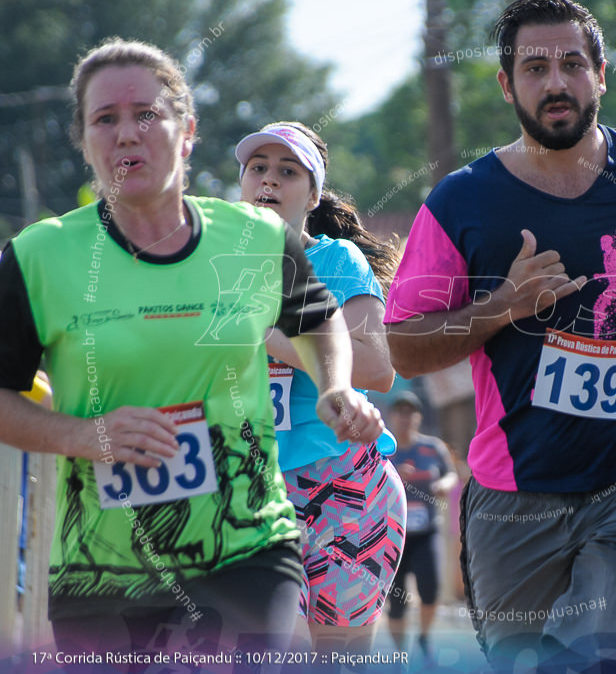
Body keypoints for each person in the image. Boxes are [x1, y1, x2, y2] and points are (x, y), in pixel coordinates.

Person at [0, 39, 383, 658]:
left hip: (247, 546)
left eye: (147, 114)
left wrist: (336, 385)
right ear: (84, 138)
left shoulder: (257, 238)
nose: (127, 134)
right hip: (101, 565)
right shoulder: (38, 256)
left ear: (187, 132)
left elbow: (322, 321)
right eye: (106, 119)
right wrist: (82, 437)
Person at [384, 0, 616, 669]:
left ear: (600, 75)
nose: (556, 83)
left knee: (608, 649)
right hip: (514, 496)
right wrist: (504, 306)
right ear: (507, 84)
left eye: (572, 64)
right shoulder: (461, 201)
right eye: (535, 67)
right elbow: (404, 344)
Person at [235, 121, 406, 652]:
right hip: (251, 492)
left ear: (311, 195)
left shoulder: (336, 260)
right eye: (257, 168)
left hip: (344, 491)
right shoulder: (213, 265)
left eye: (288, 171)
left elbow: (378, 369)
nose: (269, 180)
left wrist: (267, 334)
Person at [384, 391, 457, 660]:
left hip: (426, 532)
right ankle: (399, 654)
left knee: (430, 590)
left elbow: (451, 474)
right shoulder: (383, 448)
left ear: (418, 417)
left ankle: (425, 637)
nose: (405, 418)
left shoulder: (432, 447)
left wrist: (444, 485)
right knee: (397, 603)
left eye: (410, 412)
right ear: (391, 416)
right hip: (392, 535)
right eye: (400, 412)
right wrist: (392, 475)